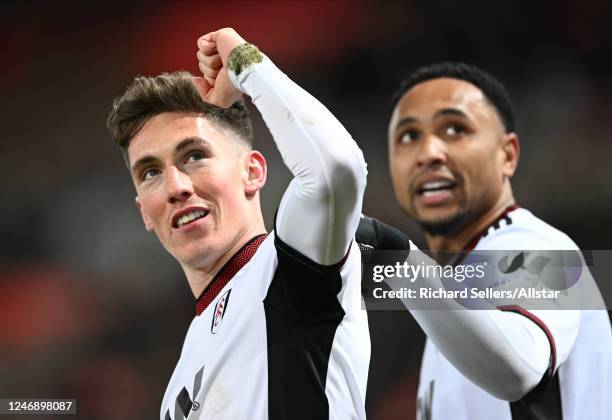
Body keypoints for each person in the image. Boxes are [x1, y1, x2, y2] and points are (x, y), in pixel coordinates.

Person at [106, 28, 370, 420]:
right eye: (149, 173)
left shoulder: (289, 265)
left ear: (252, 172)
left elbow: (337, 169)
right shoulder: (179, 379)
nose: (176, 187)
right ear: (144, 210)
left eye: (194, 155)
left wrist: (245, 63)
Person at [359, 62, 611, 419]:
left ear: (507, 154)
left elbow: (517, 369)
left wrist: (398, 260)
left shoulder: (538, 249)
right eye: (408, 136)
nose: (428, 152)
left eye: (454, 129)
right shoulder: (451, 299)